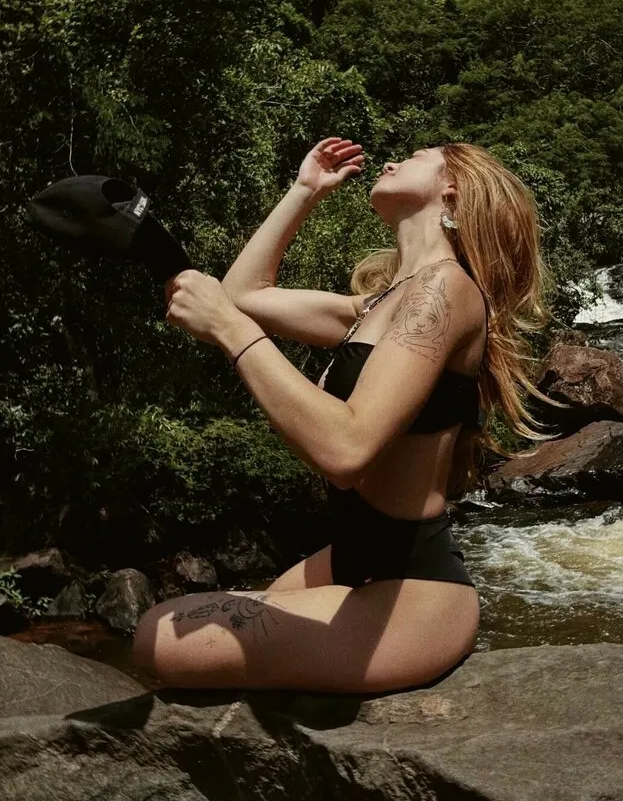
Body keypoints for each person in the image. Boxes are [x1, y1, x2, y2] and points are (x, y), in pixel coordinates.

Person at [132, 137, 568, 694]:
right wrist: (303, 190)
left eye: (416, 157)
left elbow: (346, 450)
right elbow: (241, 293)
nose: (391, 160)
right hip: (350, 560)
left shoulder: (446, 288)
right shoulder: (380, 304)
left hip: (411, 594)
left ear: (453, 188)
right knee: (194, 622)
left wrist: (228, 331)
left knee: (155, 635)